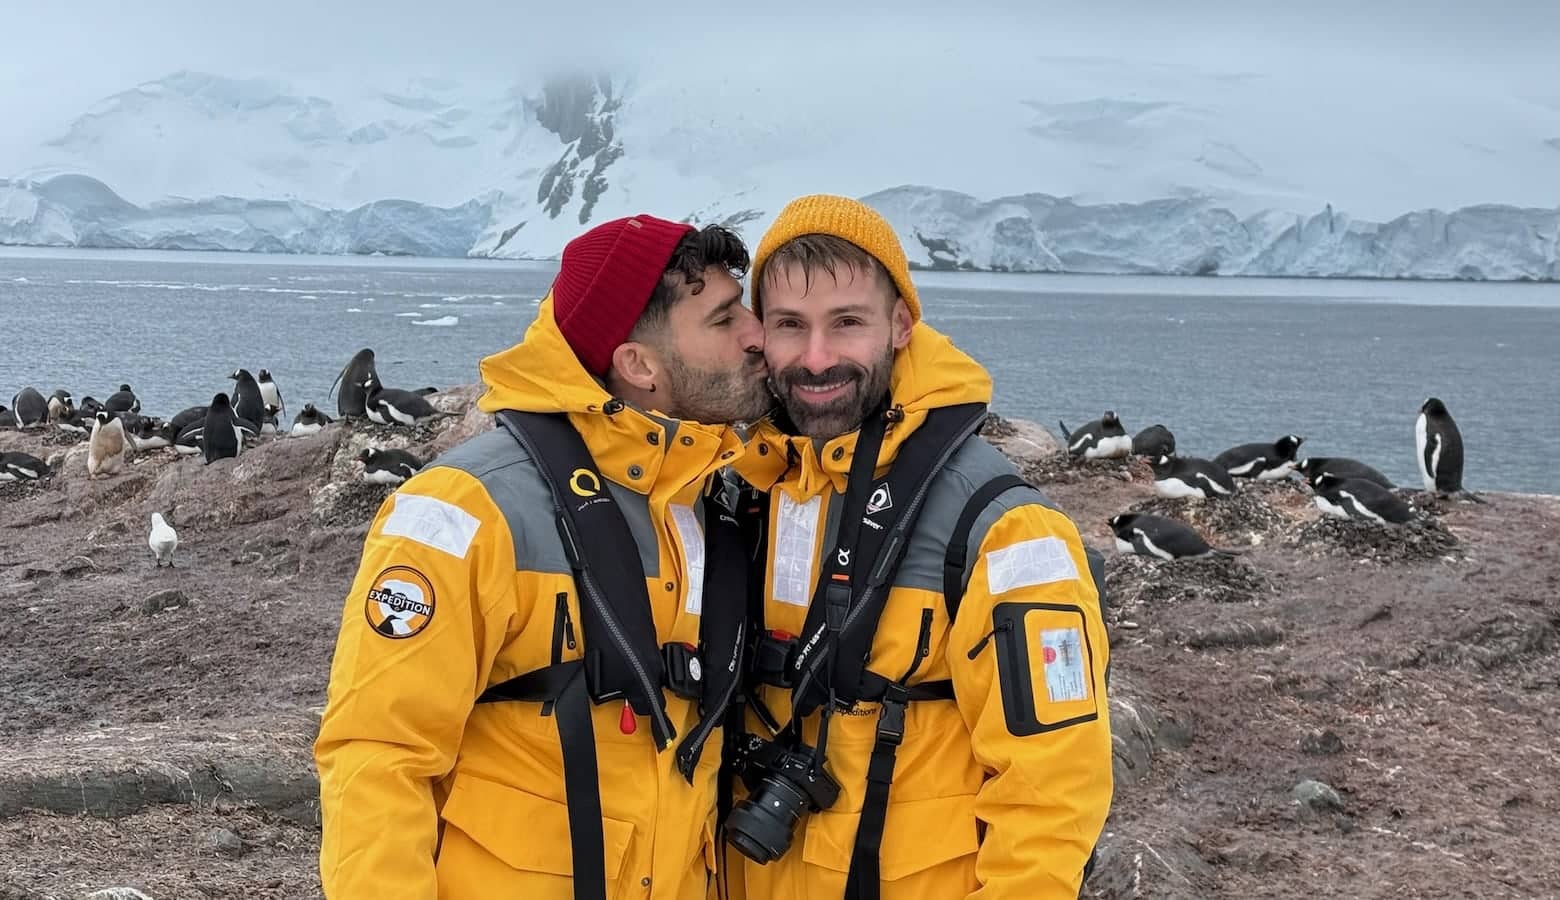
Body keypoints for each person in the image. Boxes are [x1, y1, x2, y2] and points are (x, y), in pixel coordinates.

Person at [314, 213, 774, 900]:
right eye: (723, 318)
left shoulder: (712, 500)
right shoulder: (463, 512)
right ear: (638, 365)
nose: (757, 334)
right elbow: (378, 757)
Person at [718, 195, 1113, 899]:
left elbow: (1054, 788)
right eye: (789, 326)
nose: (816, 358)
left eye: (847, 323)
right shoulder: (746, 490)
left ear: (901, 323)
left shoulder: (1003, 528)